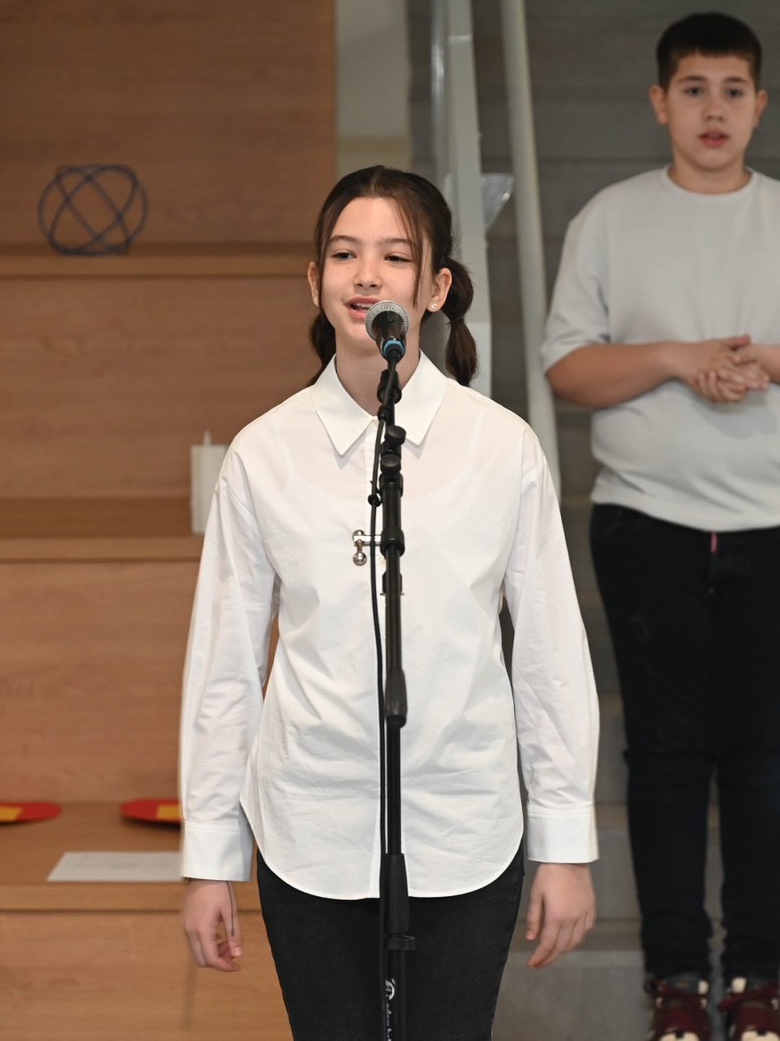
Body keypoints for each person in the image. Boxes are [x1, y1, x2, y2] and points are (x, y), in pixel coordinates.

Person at [177, 165, 600, 1041]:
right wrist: (210, 854)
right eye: (344, 255)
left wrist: (564, 842)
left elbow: (550, 654)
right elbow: (224, 666)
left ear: (436, 288)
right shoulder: (264, 453)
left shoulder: (501, 447)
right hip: (308, 831)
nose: (365, 276)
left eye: (395, 257)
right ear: (315, 281)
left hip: (465, 828)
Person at [544, 12, 780, 1041]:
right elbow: (570, 368)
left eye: (733, 90)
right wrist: (677, 357)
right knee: (661, 754)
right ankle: (676, 982)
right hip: (646, 522)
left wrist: (761, 359)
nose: (713, 110)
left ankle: (757, 978)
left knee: (766, 754)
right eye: (693, 89)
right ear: (660, 102)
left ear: (760, 105)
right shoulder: (610, 219)